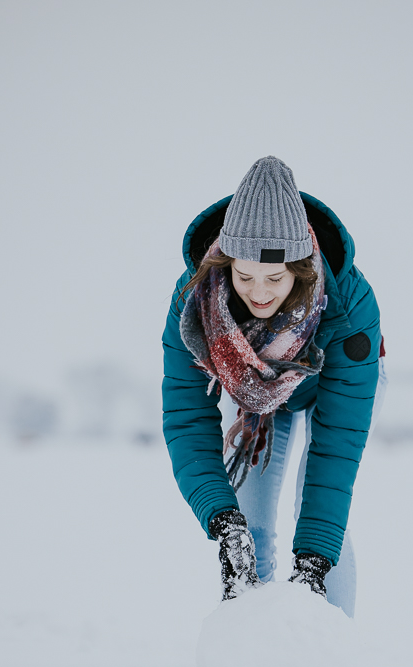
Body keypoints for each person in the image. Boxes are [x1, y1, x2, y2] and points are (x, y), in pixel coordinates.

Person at [162, 156, 386, 618]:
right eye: (244, 277)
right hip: (258, 402)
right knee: (248, 518)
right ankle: (246, 645)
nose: (259, 292)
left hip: (335, 385)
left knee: (320, 516)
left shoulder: (349, 308)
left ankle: (329, 646)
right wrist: (222, 523)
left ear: (300, 270)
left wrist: (313, 563)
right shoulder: (194, 306)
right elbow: (187, 419)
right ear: (225, 263)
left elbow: (336, 452)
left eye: (275, 278)